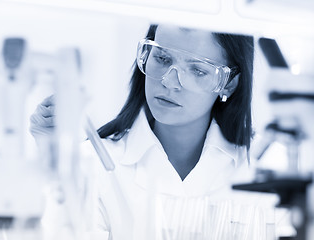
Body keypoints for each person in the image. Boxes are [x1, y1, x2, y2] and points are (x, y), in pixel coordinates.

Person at [31, 24, 271, 239]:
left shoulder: (264, 167)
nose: (169, 82)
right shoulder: (94, 164)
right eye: (163, 59)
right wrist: (54, 159)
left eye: (198, 70)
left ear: (228, 82)